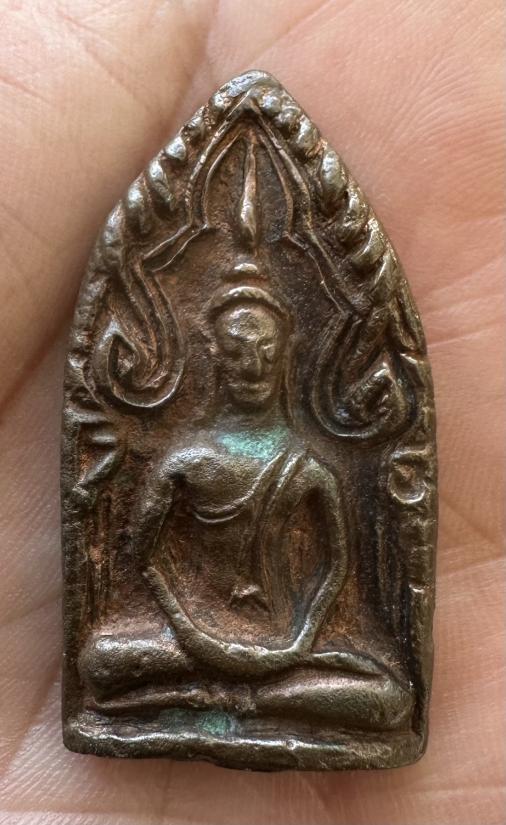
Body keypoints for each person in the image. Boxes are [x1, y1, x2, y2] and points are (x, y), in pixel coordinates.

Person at [0, 1, 503, 823]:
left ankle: (226, 700)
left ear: (286, 357)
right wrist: (197, 632)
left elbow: (331, 570)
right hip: (184, 644)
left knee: (381, 690)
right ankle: (221, 696)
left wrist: (294, 640)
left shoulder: (308, 465)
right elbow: (145, 559)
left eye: (263, 353)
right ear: (211, 359)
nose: (250, 366)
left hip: (295, 651)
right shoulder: (183, 460)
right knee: (104, 658)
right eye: (236, 354)